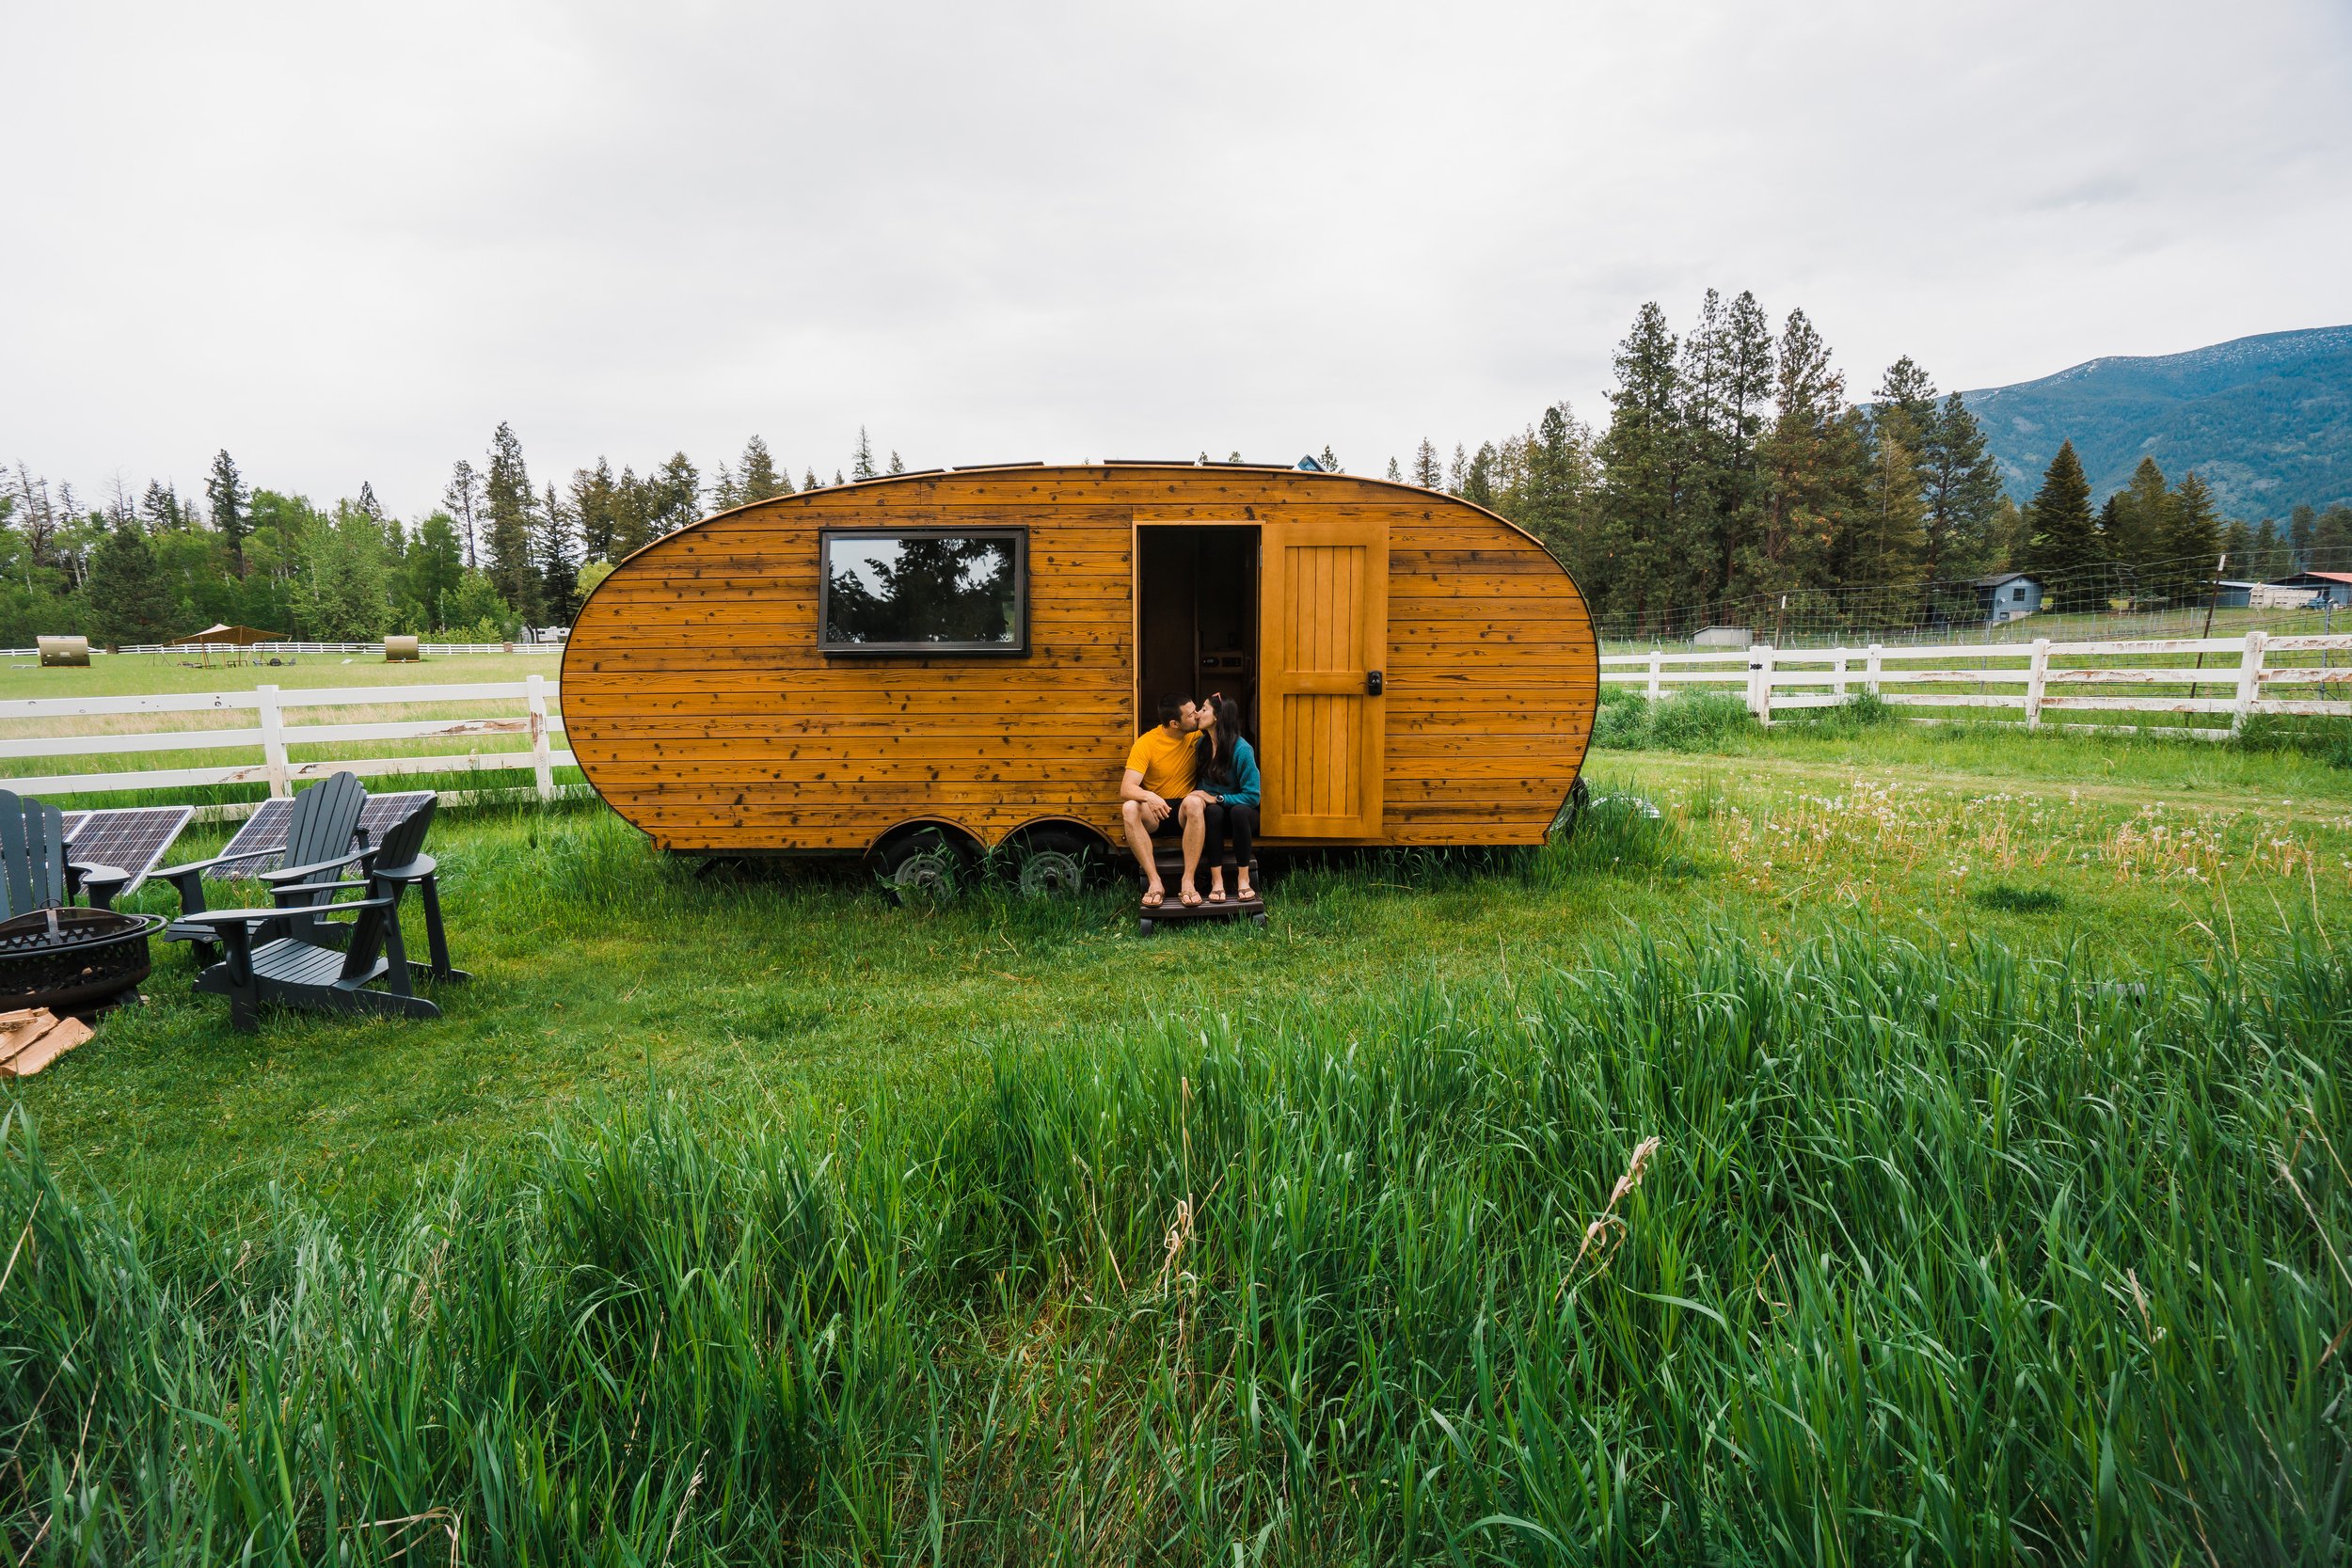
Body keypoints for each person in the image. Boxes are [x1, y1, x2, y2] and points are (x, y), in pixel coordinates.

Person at [1119, 693, 1203, 909]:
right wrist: (1149, 796)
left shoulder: (1198, 735)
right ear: (1175, 723)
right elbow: (1126, 788)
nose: (1197, 715)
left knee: (1195, 802)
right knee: (1129, 808)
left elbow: (1222, 717)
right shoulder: (1147, 742)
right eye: (1191, 713)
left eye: (1196, 709)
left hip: (1185, 810)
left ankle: (1188, 881)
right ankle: (1155, 882)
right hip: (1156, 813)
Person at [1183, 692, 1260, 902]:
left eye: (1204, 709)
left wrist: (1218, 798)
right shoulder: (1202, 746)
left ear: (1218, 716)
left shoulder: (1242, 750)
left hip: (1241, 816)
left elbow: (1253, 796)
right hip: (1215, 818)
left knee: (1238, 812)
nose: (1198, 713)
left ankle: (1244, 879)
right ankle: (1217, 882)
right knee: (1214, 813)